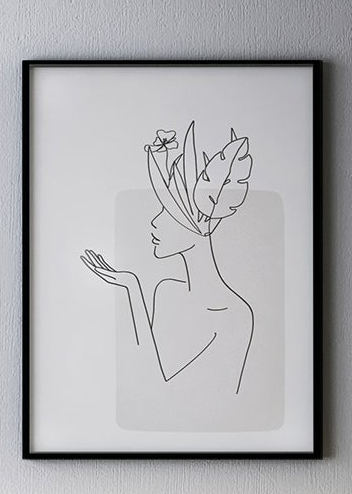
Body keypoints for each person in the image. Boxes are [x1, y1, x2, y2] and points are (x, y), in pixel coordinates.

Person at [80, 123, 255, 399]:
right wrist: (131, 286)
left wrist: (133, 289)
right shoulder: (166, 290)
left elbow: (158, 396)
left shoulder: (234, 316)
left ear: (199, 222)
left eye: (167, 212)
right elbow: (141, 380)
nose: (154, 221)